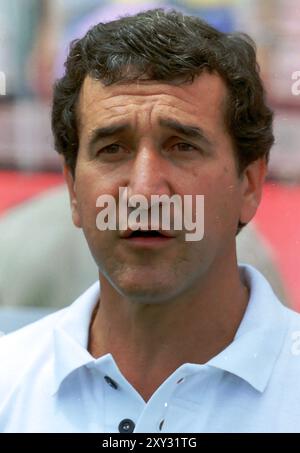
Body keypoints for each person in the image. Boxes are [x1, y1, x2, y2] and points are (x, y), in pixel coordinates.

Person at [0, 9, 299, 433]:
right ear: (72, 190)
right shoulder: (8, 384)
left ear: (249, 184)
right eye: (112, 149)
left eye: (182, 146)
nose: (143, 192)